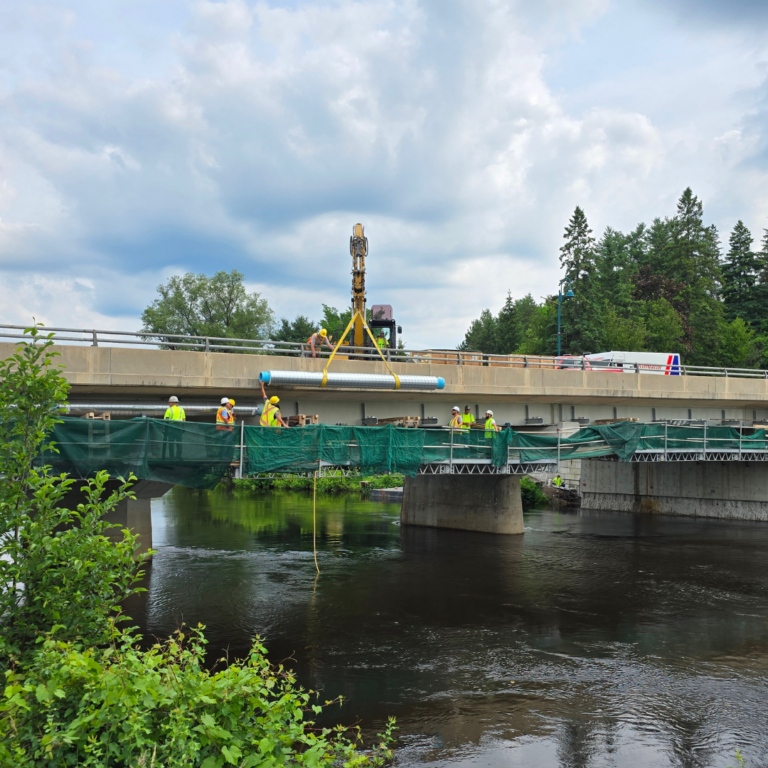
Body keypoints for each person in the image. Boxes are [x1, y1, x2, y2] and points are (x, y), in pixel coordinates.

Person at [162, 395, 185, 459]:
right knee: (179, 443)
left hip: (171, 427)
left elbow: (166, 420)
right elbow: (184, 420)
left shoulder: (169, 410)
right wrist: (183, 428)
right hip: (179, 427)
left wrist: (164, 428)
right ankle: (179, 457)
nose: (168, 403)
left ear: (173, 403)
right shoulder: (181, 409)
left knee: (171, 443)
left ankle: (171, 457)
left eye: (169, 402)